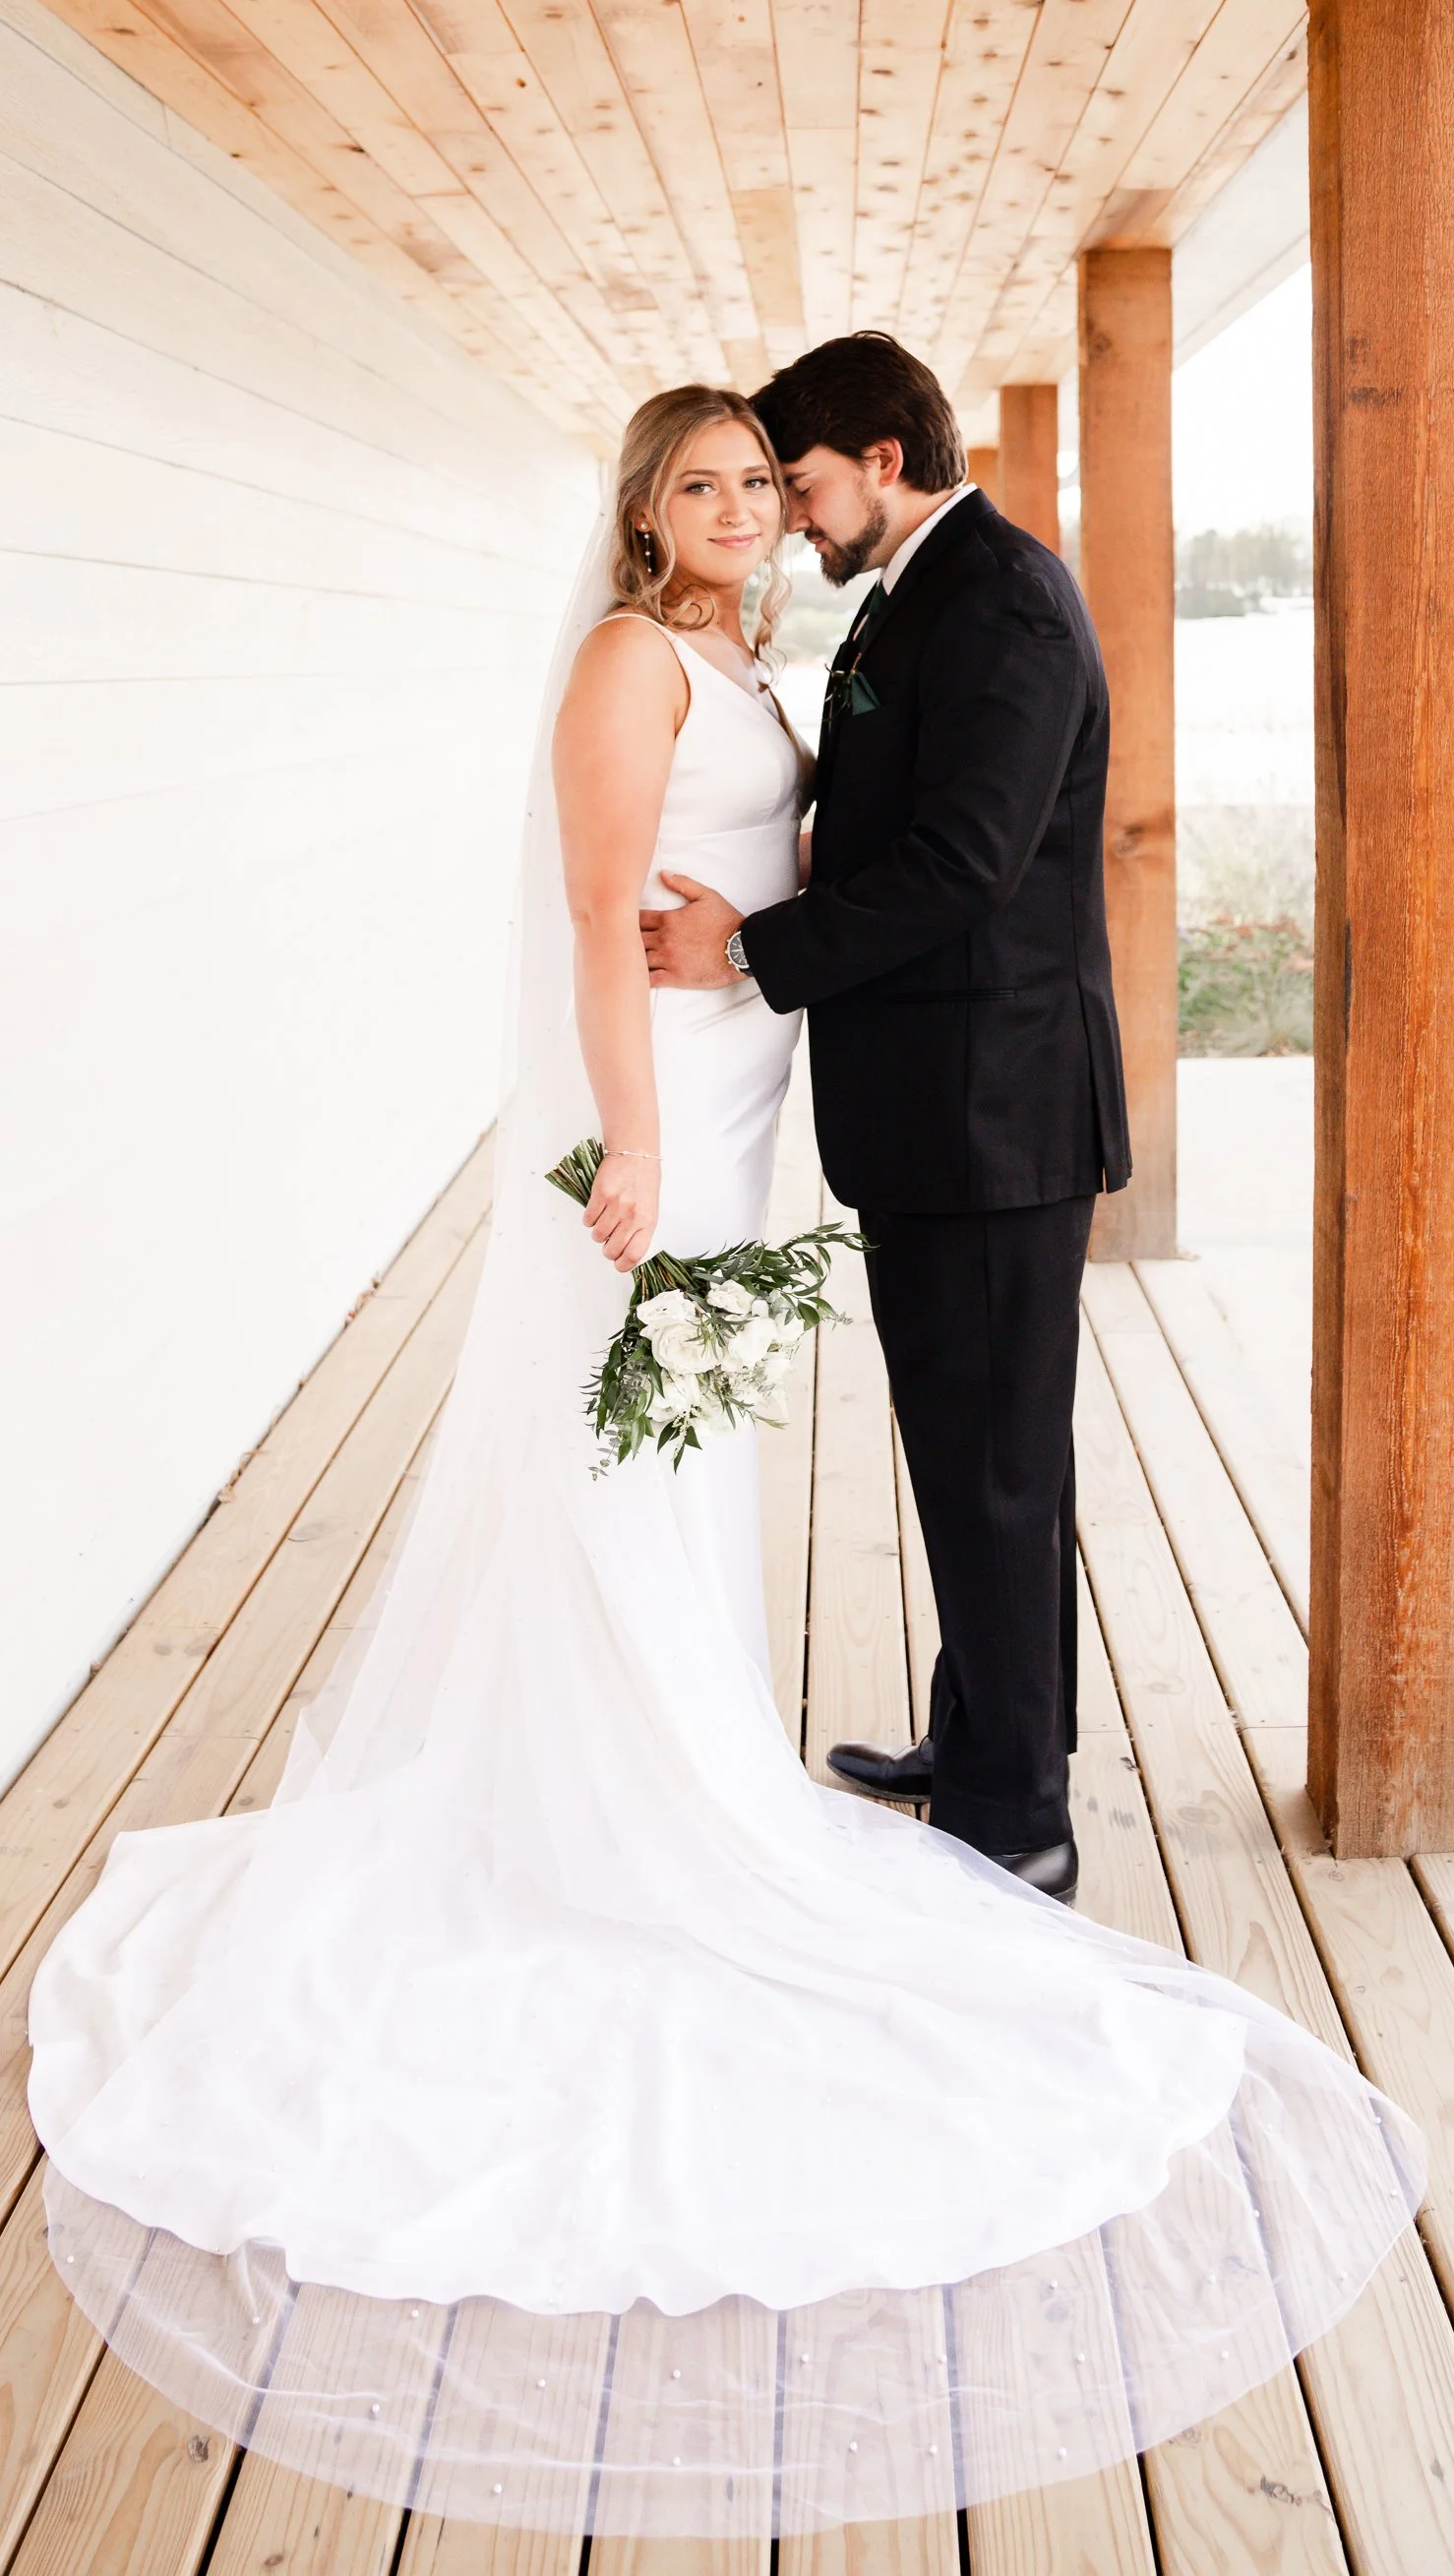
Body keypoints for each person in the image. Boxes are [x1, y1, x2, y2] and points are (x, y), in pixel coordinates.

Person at [26, 385, 1422, 2541]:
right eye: (705, 484)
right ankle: (658, 1782)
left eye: (762, 483)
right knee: (648, 1453)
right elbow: (605, 912)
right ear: (639, 510)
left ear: (821, 485)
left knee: (752, 1468)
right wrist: (641, 1143)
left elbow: (905, 854)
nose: (742, 512)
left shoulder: (799, 649)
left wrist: (746, 1007)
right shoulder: (627, 660)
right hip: (667, 1118)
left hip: (798, 1108)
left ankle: (828, 1764)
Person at [643, 335, 1123, 1902]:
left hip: (993, 1119)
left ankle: (1018, 1820)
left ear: (885, 463)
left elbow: (966, 863)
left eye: (798, 482)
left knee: (988, 1463)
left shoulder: (999, 598)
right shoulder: (919, 594)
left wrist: (747, 950)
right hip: (944, 1116)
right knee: (981, 1453)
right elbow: (881, 818)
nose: (789, 514)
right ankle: (982, 1740)